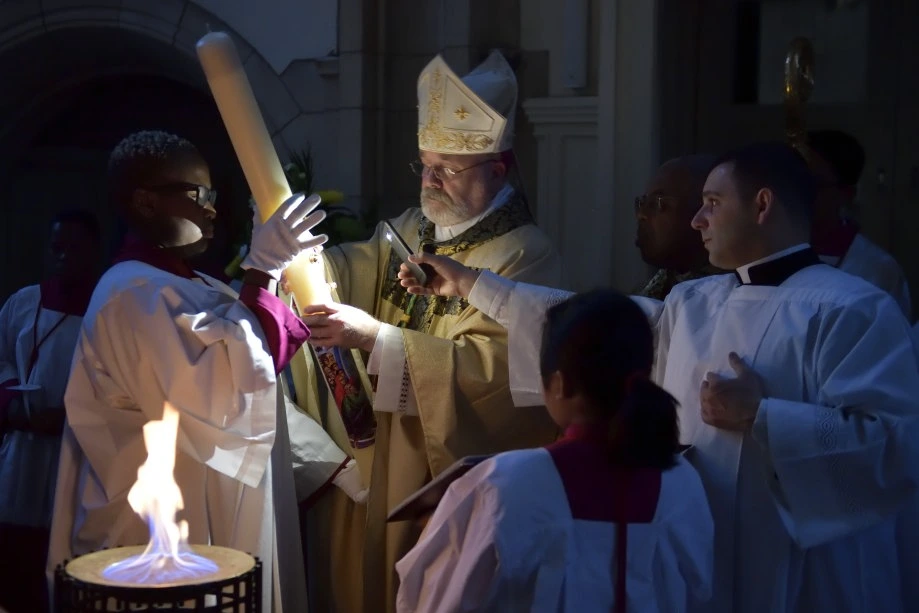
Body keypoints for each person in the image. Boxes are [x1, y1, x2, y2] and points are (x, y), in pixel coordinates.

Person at [399, 142, 919, 612]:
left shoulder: (854, 309)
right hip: (706, 558)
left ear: (762, 205)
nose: (697, 220)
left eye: (712, 203)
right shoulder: (696, 302)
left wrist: (765, 417)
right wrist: (474, 286)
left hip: (805, 575)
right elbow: (598, 326)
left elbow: (896, 447)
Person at [292, 51, 562, 612]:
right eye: (424, 165)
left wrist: (376, 340)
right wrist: (302, 259)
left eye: (448, 169)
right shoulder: (416, 226)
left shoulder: (524, 255)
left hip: (435, 469)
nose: (431, 182)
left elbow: (496, 378)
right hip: (375, 449)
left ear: (497, 168)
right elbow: (355, 267)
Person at [47, 130, 330, 612]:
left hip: (207, 505)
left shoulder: (188, 282)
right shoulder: (130, 293)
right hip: (158, 531)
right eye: (198, 196)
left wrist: (273, 276)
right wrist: (259, 271)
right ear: (145, 202)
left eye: (214, 196)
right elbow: (220, 395)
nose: (212, 210)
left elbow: (255, 380)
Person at [395, 289, 713, 612]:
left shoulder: (505, 485)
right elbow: (699, 594)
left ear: (559, 383)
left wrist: (443, 529)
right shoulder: (682, 481)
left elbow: (437, 601)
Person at [0, 211, 101, 613]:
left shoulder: (107, 308)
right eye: (57, 248)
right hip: (20, 457)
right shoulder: (24, 303)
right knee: (14, 570)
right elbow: (2, 360)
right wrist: (16, 408)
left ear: (94, 252)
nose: (63, 257)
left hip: (75, 456)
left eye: (74, 248)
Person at [805, 129, 911, 318]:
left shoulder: (878, 269)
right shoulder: (769, 253)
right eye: (794, 181)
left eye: (812, 183)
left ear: (846, 194)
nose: (798, 193)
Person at [636, 155, 723, 300]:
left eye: (658, 203)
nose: (641, 214)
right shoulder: (658, 290)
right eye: (642, 202)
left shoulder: (725, 302)